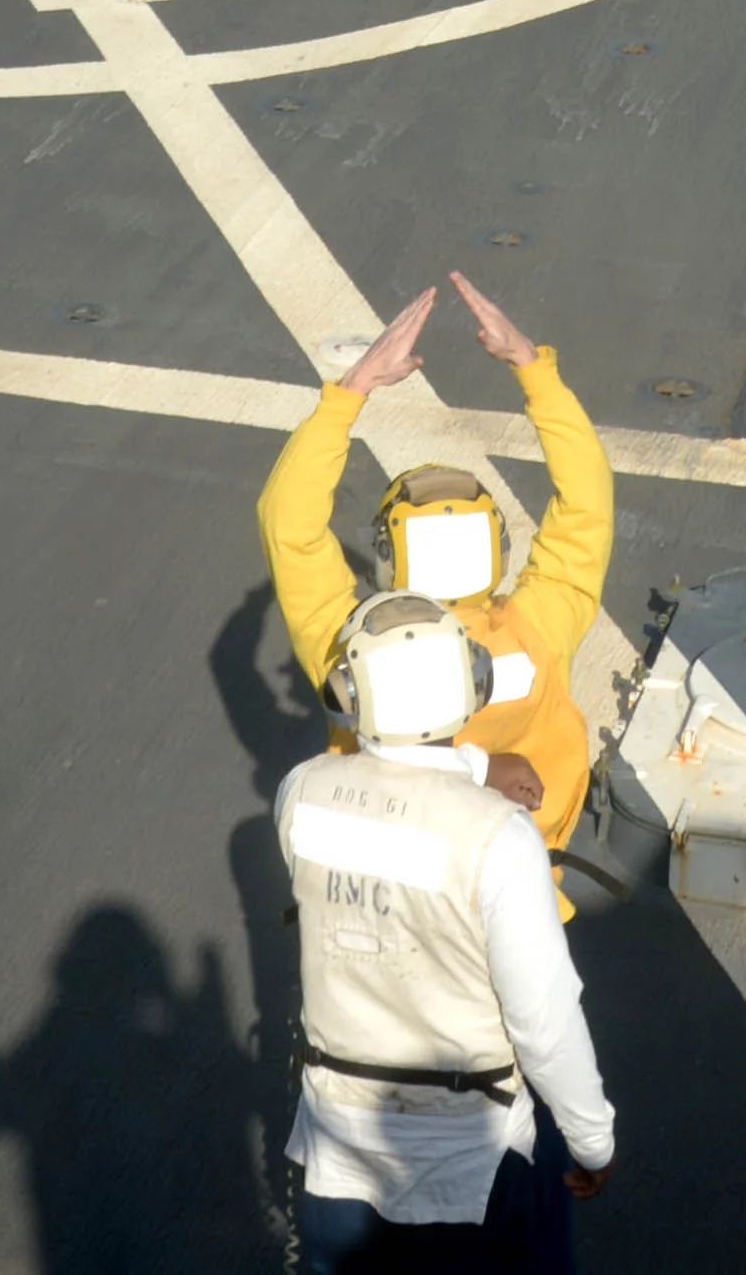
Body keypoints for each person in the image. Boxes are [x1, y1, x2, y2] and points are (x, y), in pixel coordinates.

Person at [278, 594, 615, 1269]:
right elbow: (544, 1026)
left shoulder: (301, 794)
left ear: (351, 691)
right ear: (472, 684)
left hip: (337, 1162)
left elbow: (394, 793)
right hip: (473, 1175)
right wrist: (593, 1143)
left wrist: (476, 768)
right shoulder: (499, 838)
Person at [263, 275, 612, 856]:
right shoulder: (542, 629)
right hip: (527, 869)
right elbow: (587, 504)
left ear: (388, 559)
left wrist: (353, 389)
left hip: (385, 877)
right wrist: (533, 369)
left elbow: (289, 529)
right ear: (496, 551)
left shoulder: (347, 647)